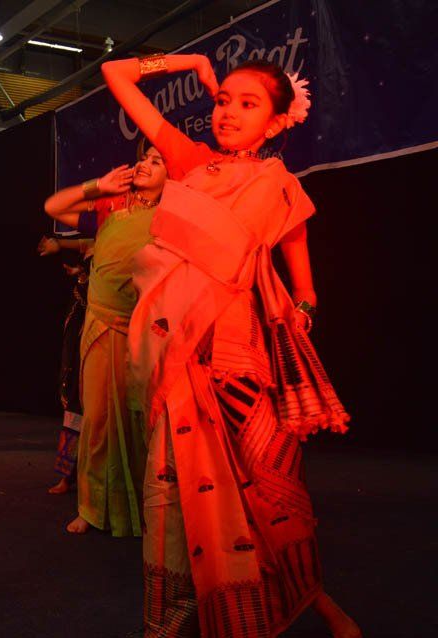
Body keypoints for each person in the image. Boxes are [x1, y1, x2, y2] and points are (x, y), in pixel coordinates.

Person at [101, 55, 359, 636]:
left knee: (272, 483)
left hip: (241, 352)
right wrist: (192, 62)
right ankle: (177, 611)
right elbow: (116, 74)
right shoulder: (186, 161)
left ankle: (310, 595)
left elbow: (302, 271)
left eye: (248, 104)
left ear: (274, 123)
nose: (229, 112)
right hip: (177, 351)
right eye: (223, 101)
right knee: (178, 478)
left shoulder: (278, 184)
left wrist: (305, 305)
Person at [44, 145, 168, 537]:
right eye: (144, 157)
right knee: (95, 420)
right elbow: (54, 207)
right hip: (99, 327)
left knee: (141, 421)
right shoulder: (112, 207)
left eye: (157, 161)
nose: (145, 165)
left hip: (142, 330)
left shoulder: (171, 217)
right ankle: (93, 506)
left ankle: (148, 506)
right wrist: (98, 185)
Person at [36, 237, 94, 495]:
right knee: (72, 420)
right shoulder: (79, 294)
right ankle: (66, 477)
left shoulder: (98, 295)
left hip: (98, 363)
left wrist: (60, 244)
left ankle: (91, 481)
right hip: (75, 365)